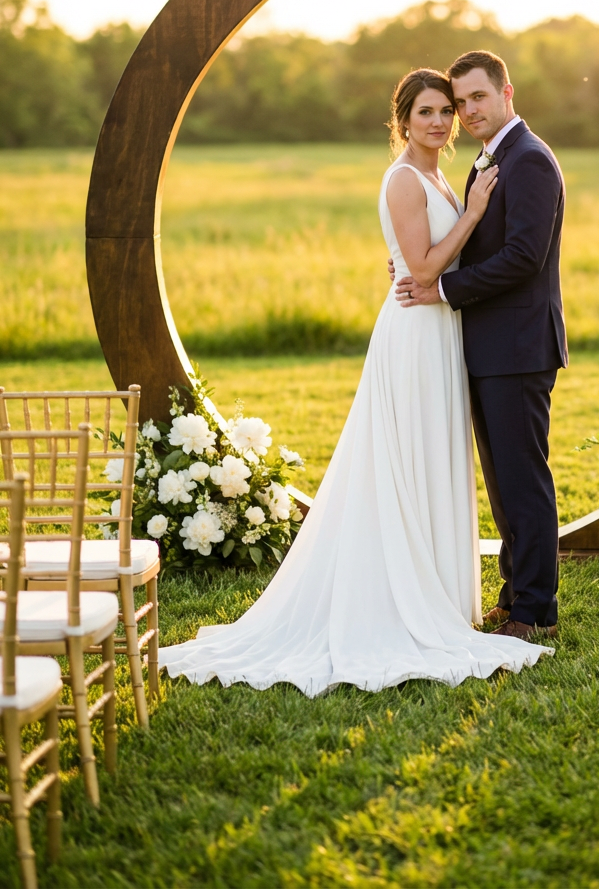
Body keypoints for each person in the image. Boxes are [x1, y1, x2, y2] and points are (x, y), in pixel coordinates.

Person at [157, 68, 551, 696]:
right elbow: (421, 263)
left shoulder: (451, 173)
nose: (442, 120)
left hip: (442, 327)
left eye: (448, 109)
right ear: (402, 121)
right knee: (407, 460)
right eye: (428, 111)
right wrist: (469, 217)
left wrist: (440, 242)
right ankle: (405, 595)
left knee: (439, 458)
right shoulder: (407, 177)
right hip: (417, 331)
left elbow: (433, 256)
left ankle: (451, 596)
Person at [394, 50, 567, 640]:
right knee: (502, 481)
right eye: (458, 102)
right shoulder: (487, 162)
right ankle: (514, 592)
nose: (466, 112)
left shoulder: (530, 162)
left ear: (506, 93)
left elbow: (524, 258)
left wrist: (441, 288)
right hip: (487, 346)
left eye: (476, 98)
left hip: (518, 345)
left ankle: (534, 610)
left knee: (523, 479)